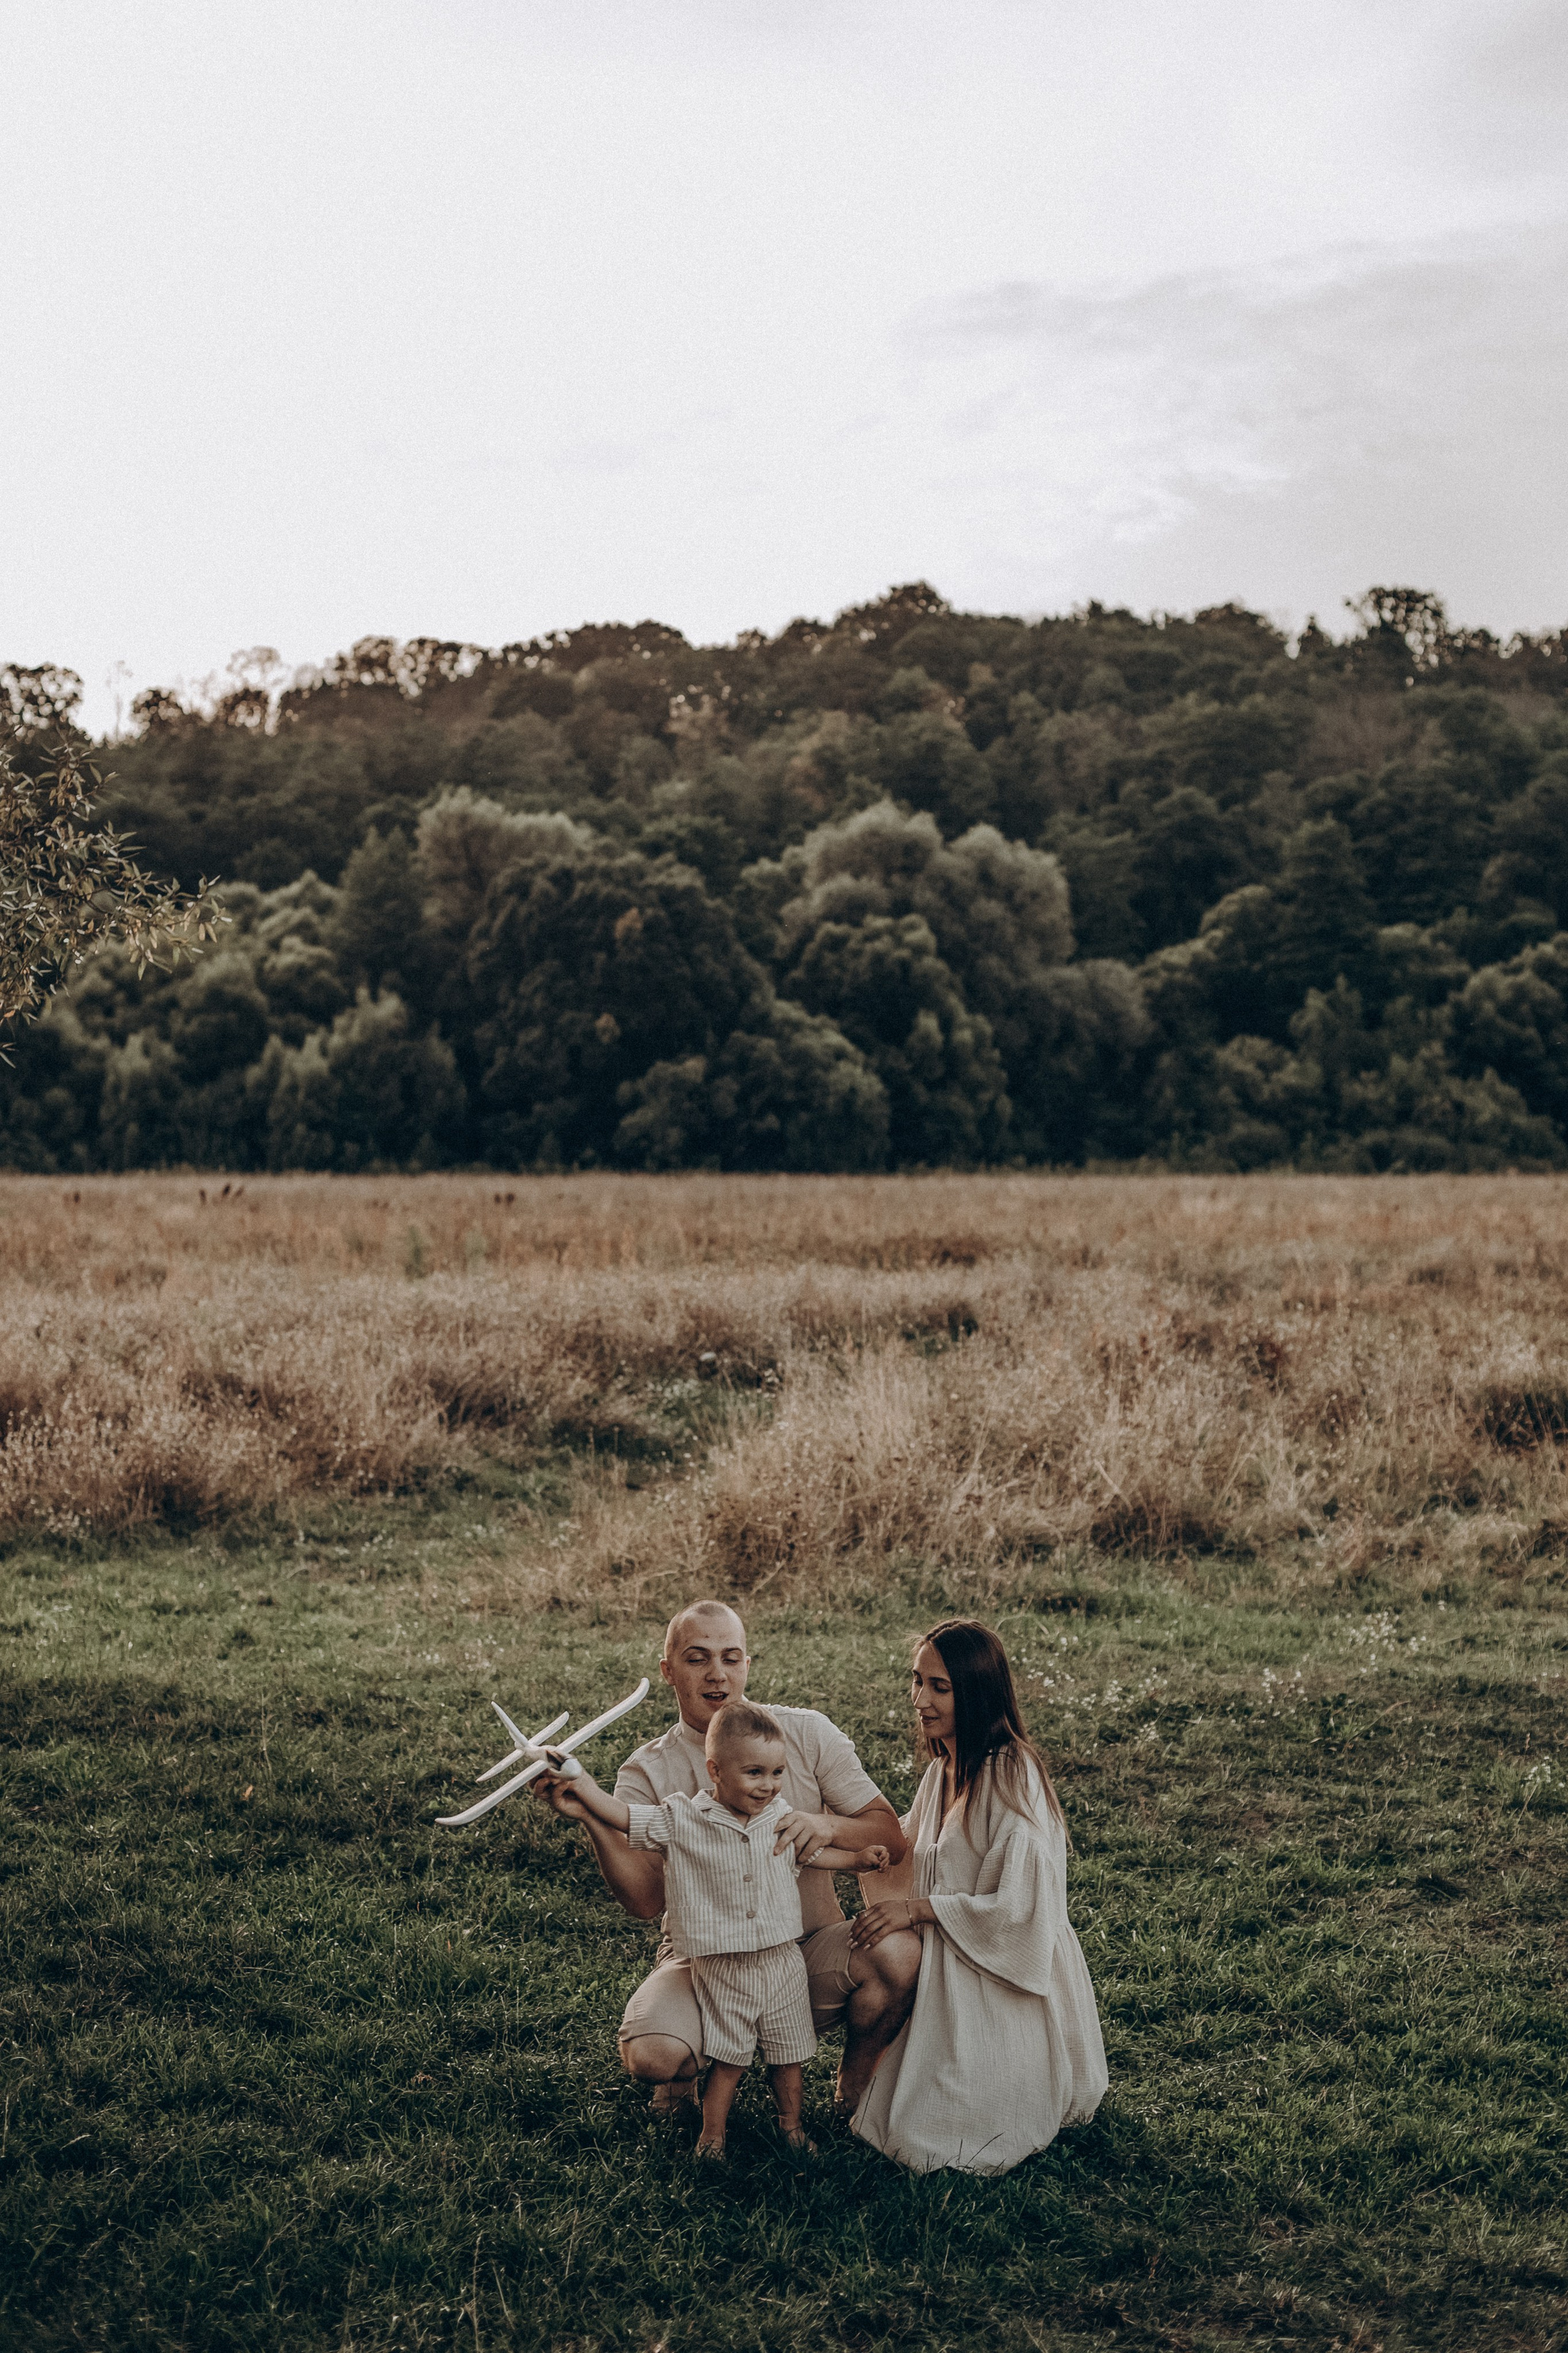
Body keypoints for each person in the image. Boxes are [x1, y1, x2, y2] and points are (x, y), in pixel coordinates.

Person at [533, 1598, 921, 2115]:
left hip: (800, 1955)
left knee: (898, 1953)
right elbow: (646, 1899)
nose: (717, 1674)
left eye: (731, 1657)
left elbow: (889, 1837)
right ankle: (685, 2070)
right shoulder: (647, 1770)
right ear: (668, 1670)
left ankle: (855, 2088)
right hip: (705, 1963)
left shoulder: (804, 1732)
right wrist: (589, 1814)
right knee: (655, 2053)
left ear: (747, 1664)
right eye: (697, 1658)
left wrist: (823, 1824)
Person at [558, 1699, 889, 2157]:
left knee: (788, 2057)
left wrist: (855, 1859)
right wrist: (584, 1788)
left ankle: (791, 2127)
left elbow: (810, 1854)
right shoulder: (682, 1819)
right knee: (730, 2060)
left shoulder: (779, 1817)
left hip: (783, 1962)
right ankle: (712, 2134)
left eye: (777, 1773)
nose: (769, 1785)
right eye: (755, 1773)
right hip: (723, 1967)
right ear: (715, 1770)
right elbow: (626, 1817)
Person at [848, 1618, 1109, 2175]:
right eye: (917, 1680)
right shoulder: (943, 1769)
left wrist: (918, 1908)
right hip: (957, 1947)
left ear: (978, 1691)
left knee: (934, 2135)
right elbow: (909, 1850)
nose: (921, 1698)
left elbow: (1022, 1908)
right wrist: (832, 1834)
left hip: (1003, 1964)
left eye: (940, 1686)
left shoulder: (1014, 1777)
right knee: (895, 2117)